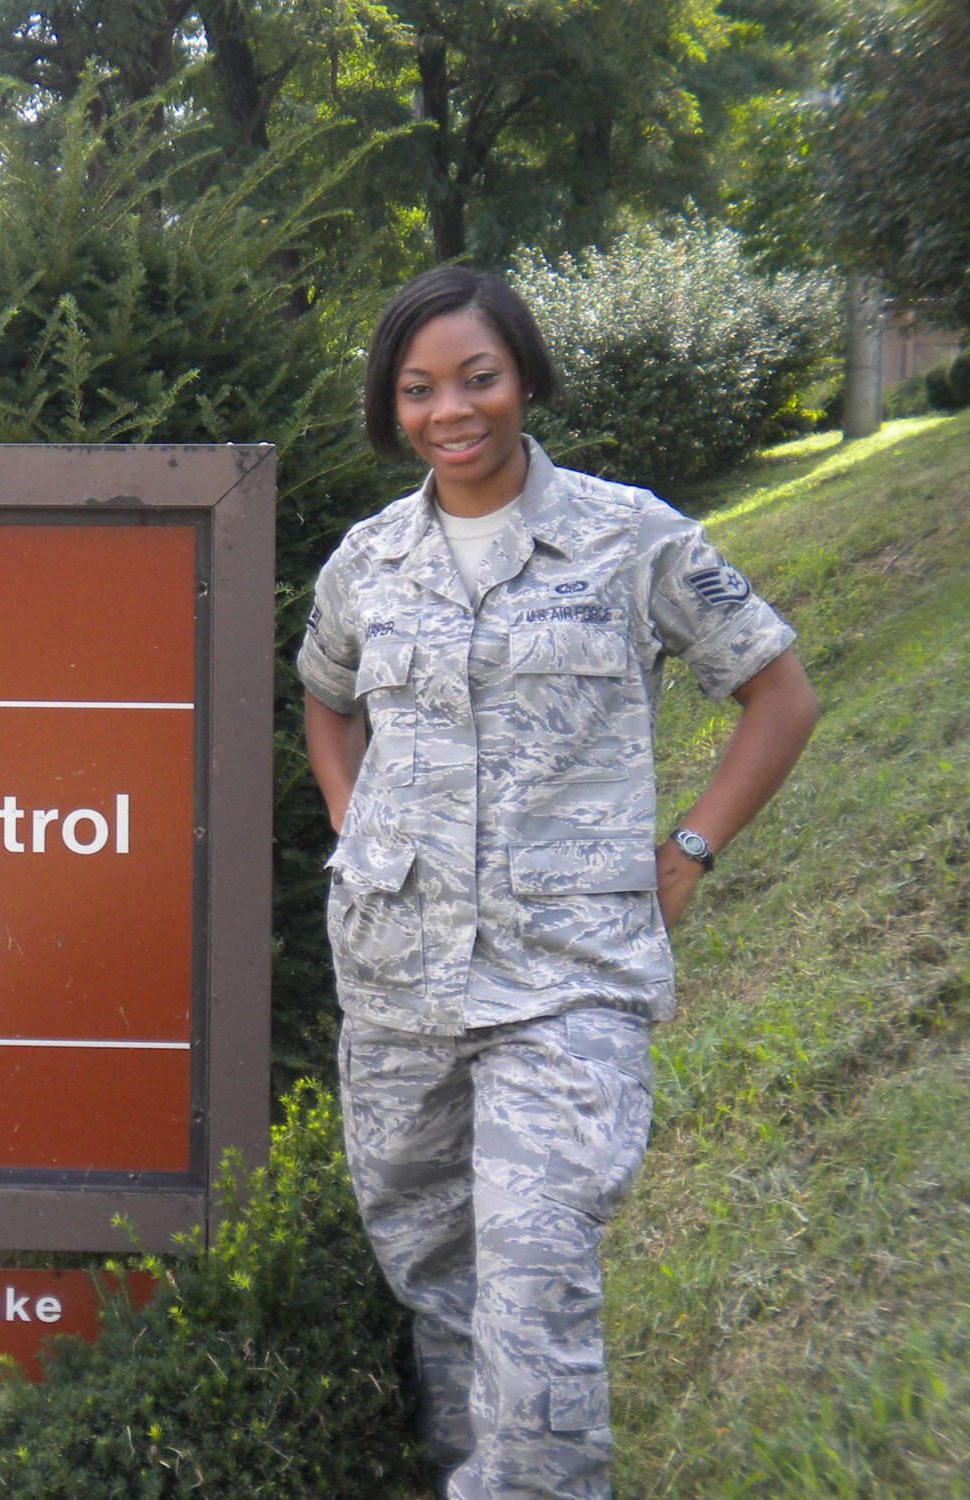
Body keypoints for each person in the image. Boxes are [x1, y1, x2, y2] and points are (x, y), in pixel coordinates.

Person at [297, 266, 820, 1500]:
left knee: (531, 1275)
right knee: (429, 1266)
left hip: (566, 983)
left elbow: (777, 694)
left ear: (523, 376)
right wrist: (352, 824)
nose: (450, 410)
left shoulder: (628, 535)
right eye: (417, 389)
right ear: (391, 406)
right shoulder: (367, 560)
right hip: (395, 981)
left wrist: (683, 853)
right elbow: (324, 697)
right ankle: (461, 1468)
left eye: (475, 377)